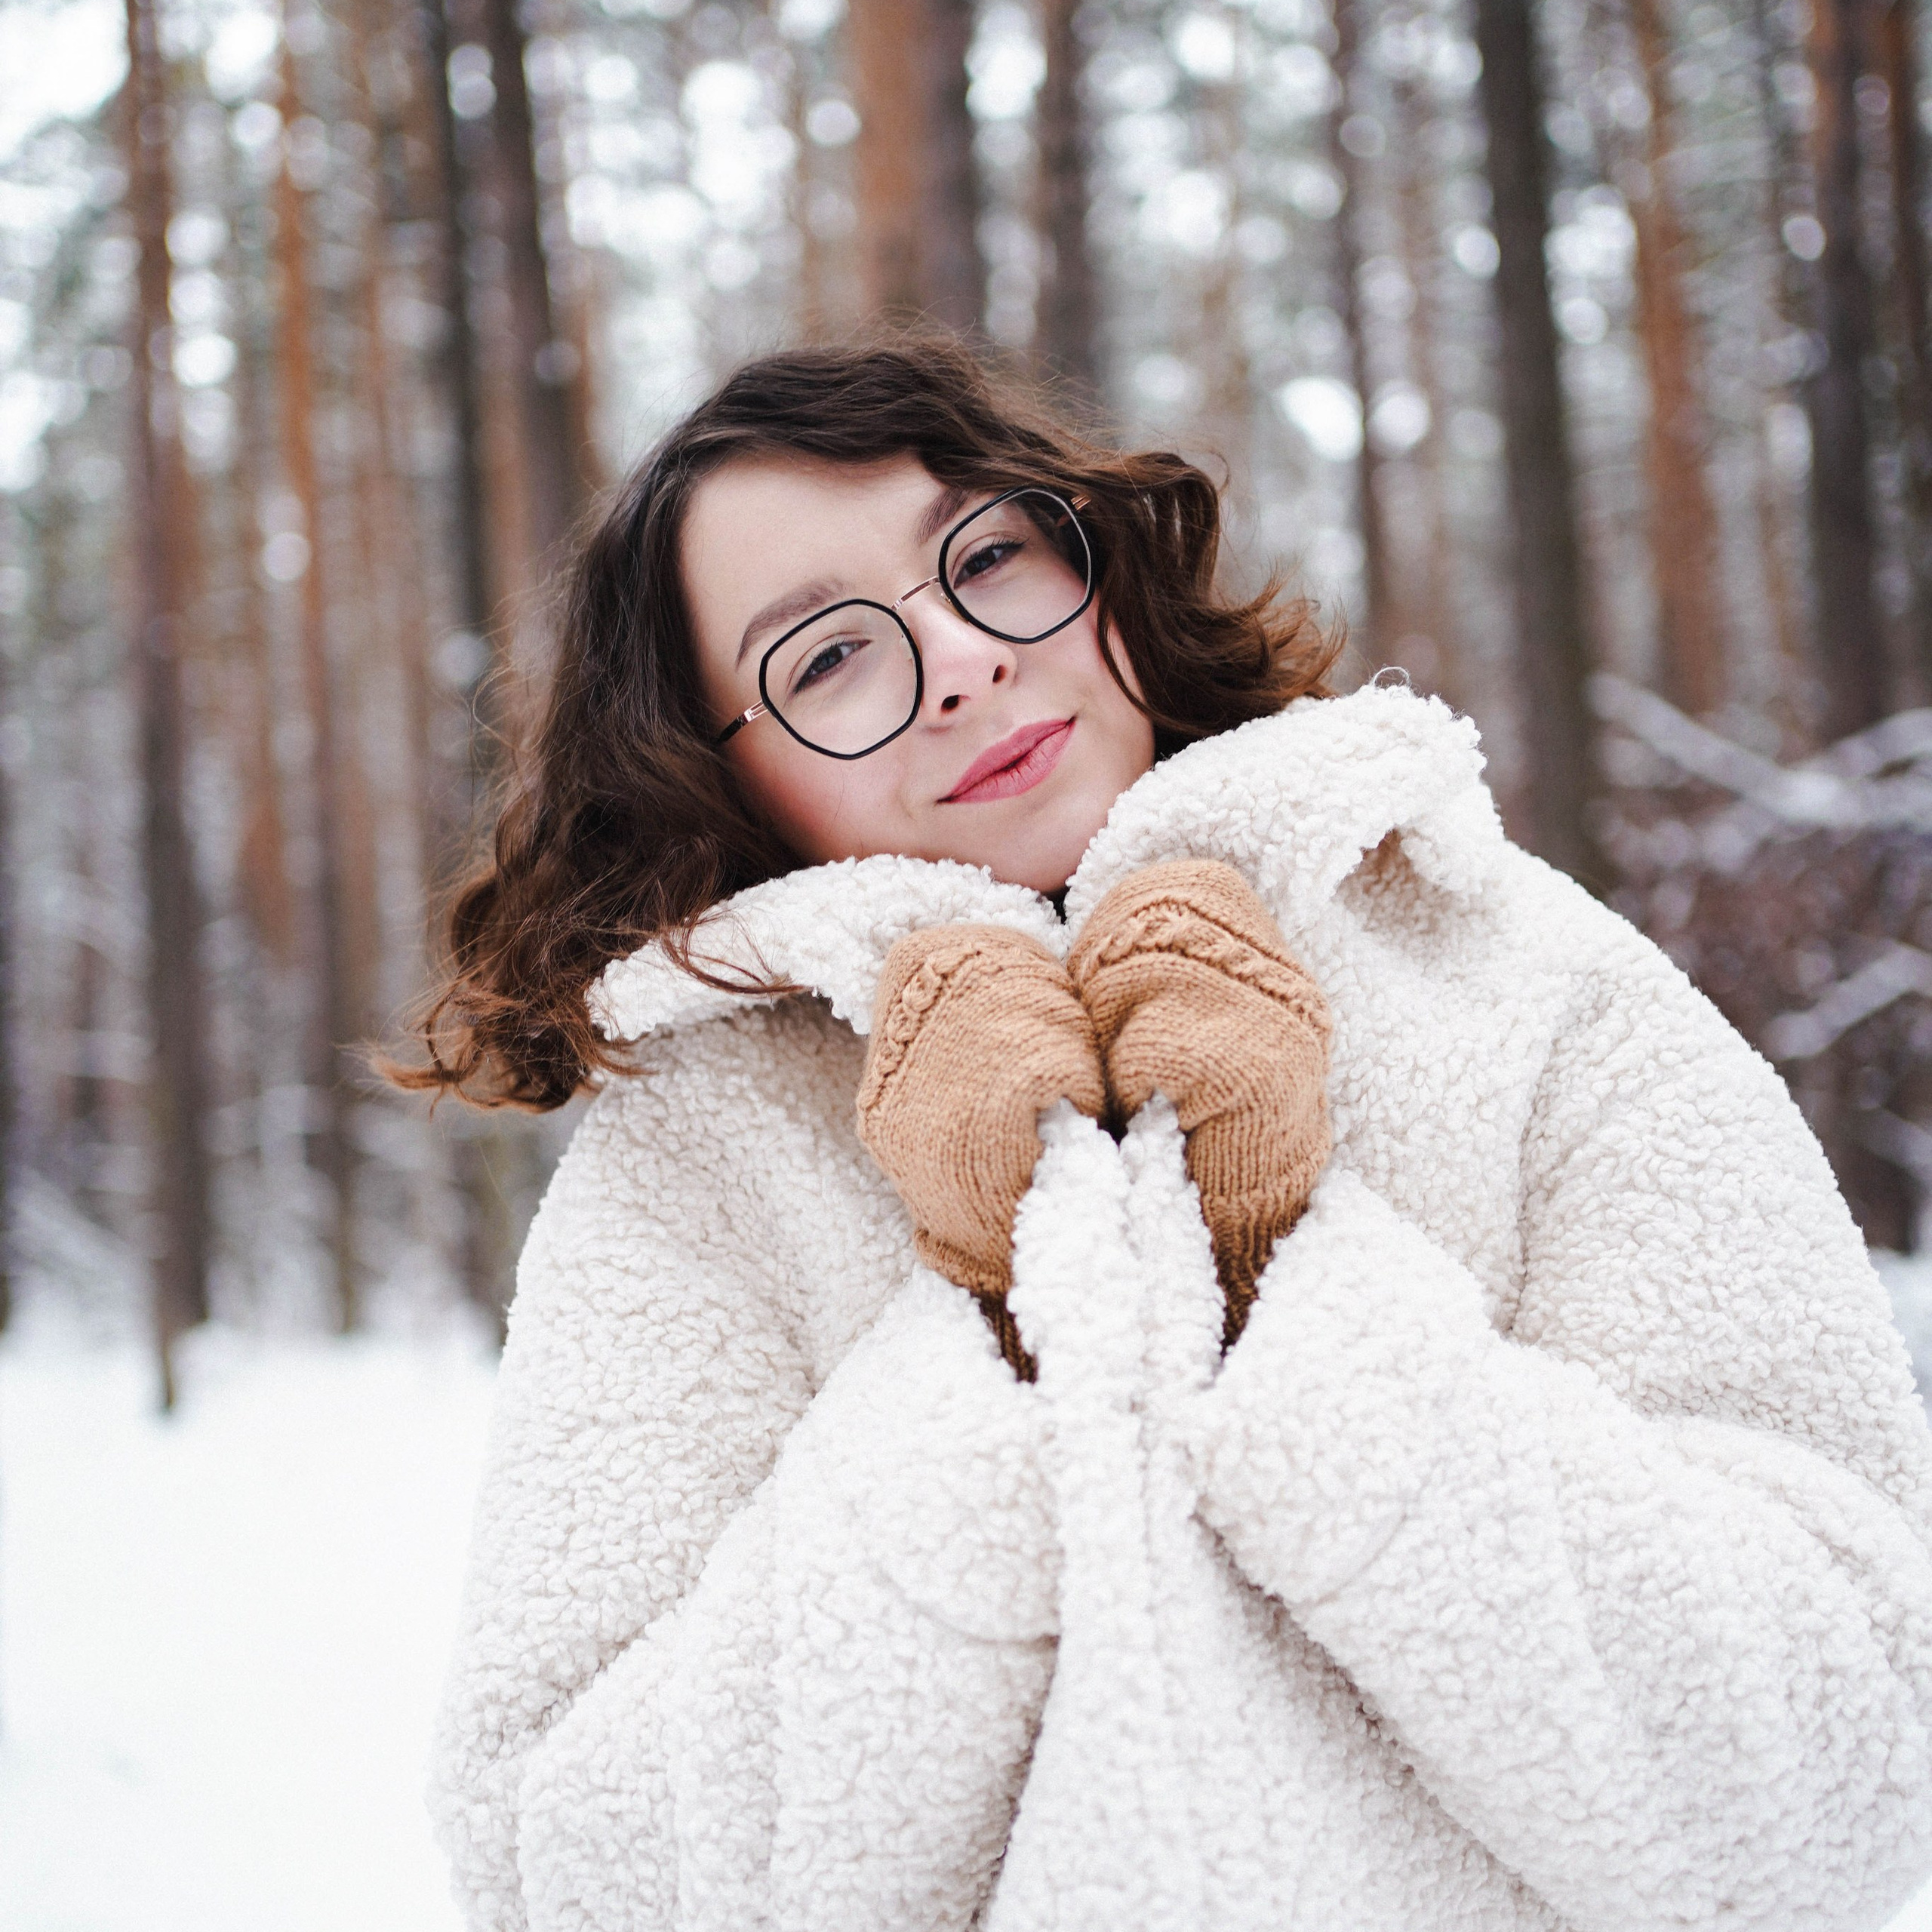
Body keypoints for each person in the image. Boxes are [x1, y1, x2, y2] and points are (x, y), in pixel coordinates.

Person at [408, 337, 1932, 1932]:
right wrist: (990, 1322)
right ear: (717, 783)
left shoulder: (1519, 970)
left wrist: (1276, 1265)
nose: (956, 658)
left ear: (1098, 560)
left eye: (987, 554)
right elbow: (565, 1877)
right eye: (825, 661)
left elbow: (1856, 1760)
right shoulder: (695, 1172)